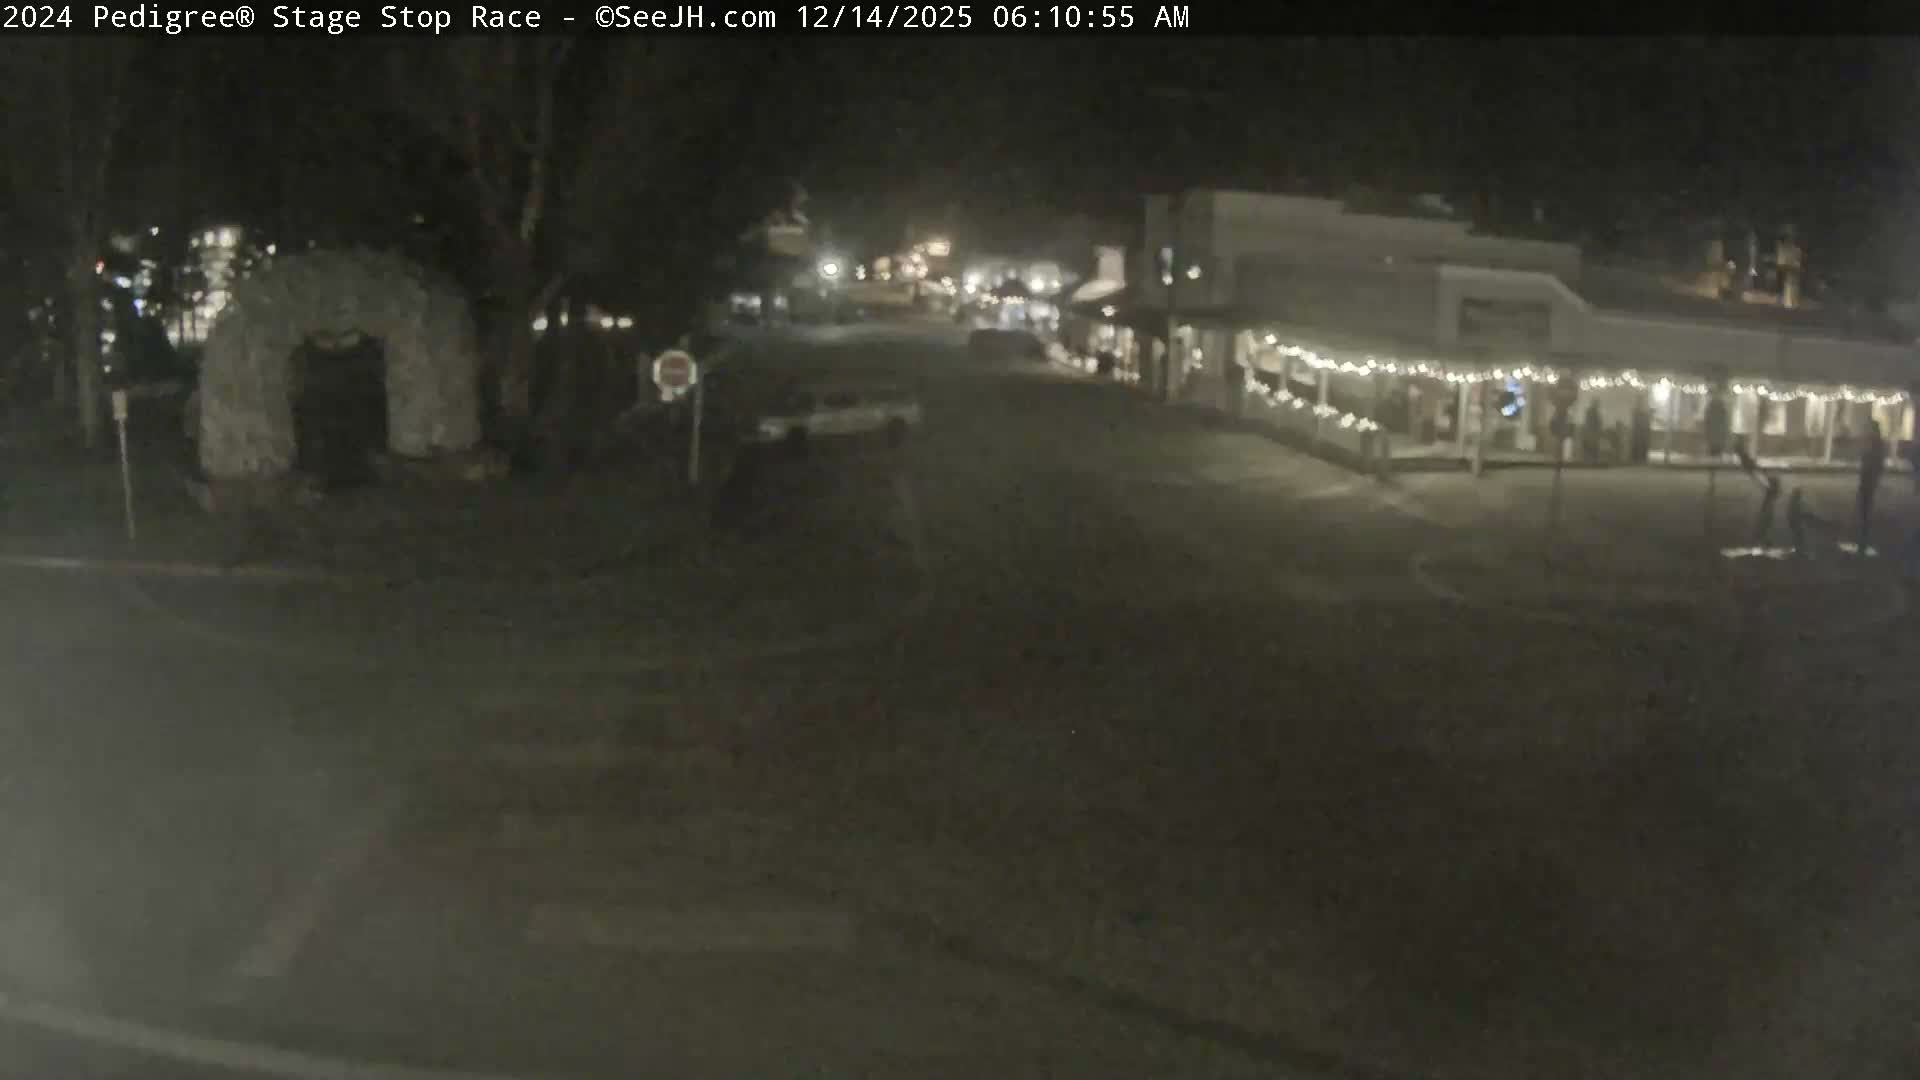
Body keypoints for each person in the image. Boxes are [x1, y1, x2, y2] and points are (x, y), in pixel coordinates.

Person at [1858, 419, 1887, 549]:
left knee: (1866, 498)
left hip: (1870, 474)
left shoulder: (1876, 443)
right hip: (1867, 474)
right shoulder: (1873, 442)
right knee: (1865, 498)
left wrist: (1875, 474)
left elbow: (1877, 460)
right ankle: (1864, 521)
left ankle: (1865, 524)